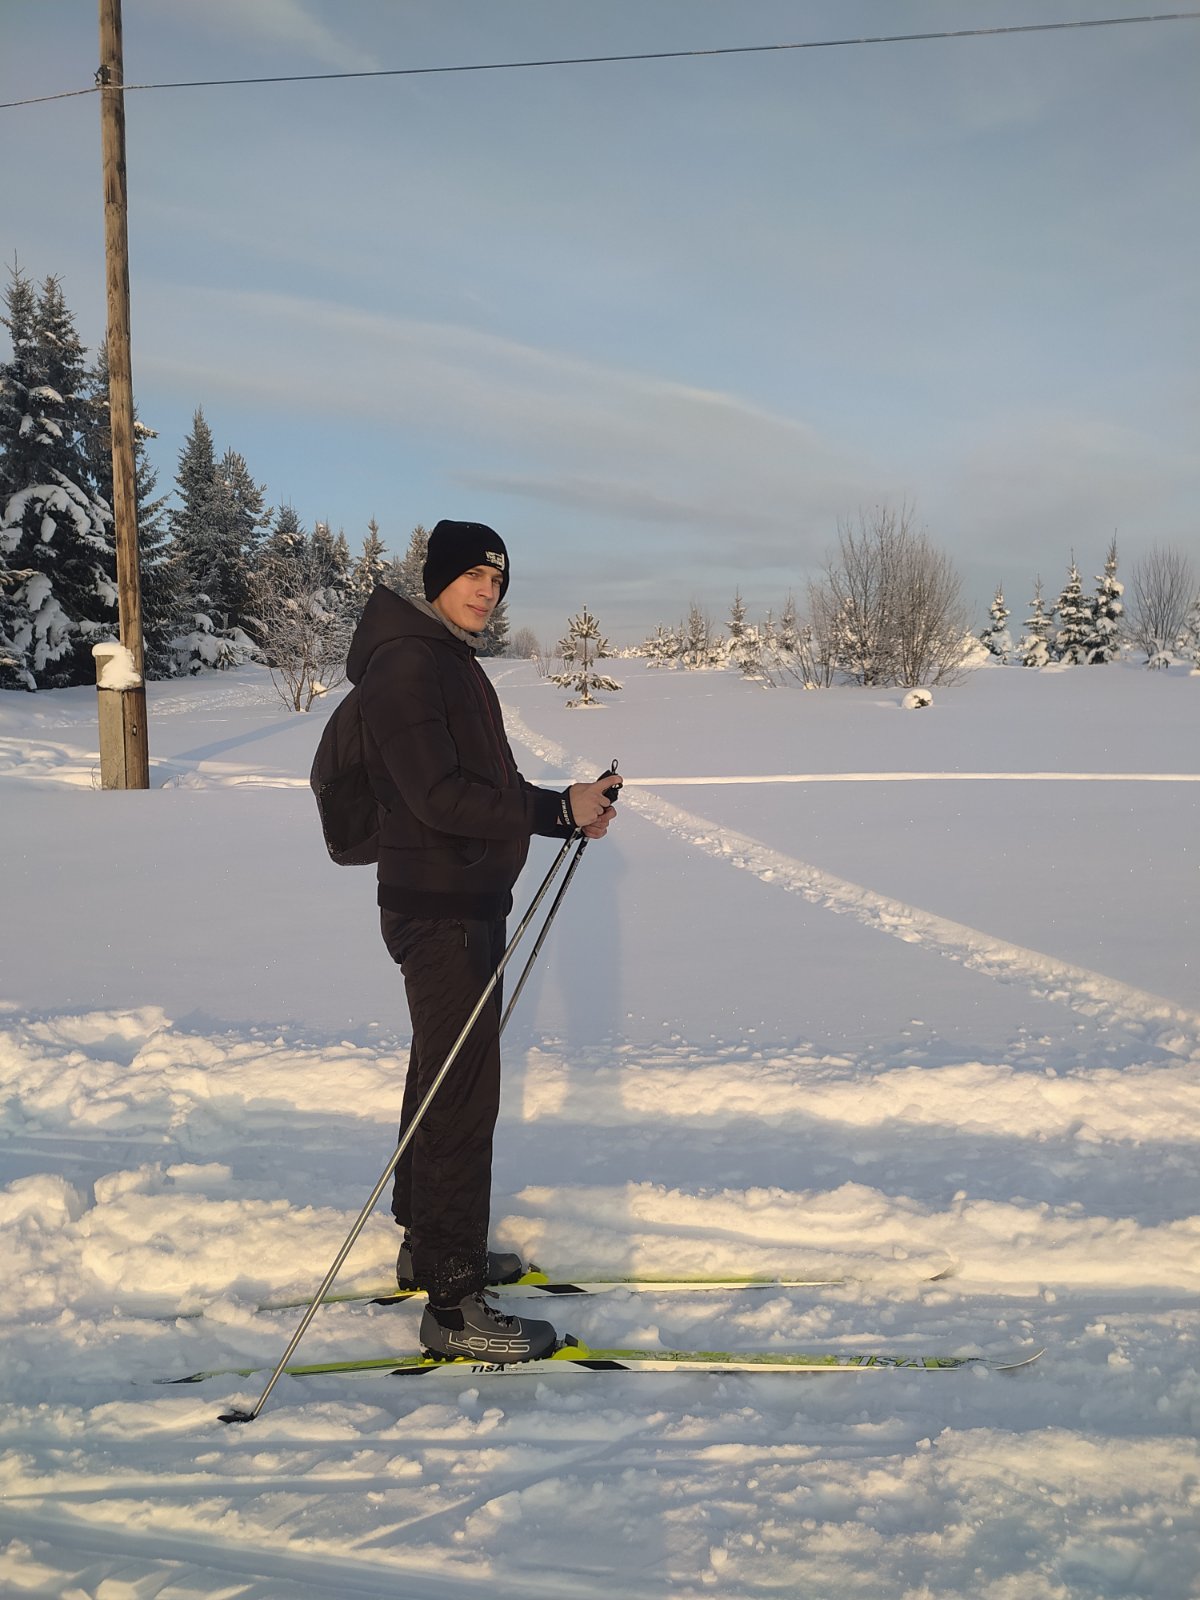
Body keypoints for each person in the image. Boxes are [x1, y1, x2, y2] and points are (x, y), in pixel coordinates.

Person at [346, 519, 620, 1362]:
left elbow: (485, 788)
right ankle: (454, 1303)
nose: (485, 591)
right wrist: (554, 813)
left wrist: (559, 808)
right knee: (463, 1093)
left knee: (441, 1073)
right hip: (439, 906)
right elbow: (437, 797)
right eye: (471, 576)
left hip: (462, 899)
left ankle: (426, 1244)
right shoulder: (408, 664)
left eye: (497, 581)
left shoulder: (447, 662)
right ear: (436, 578)